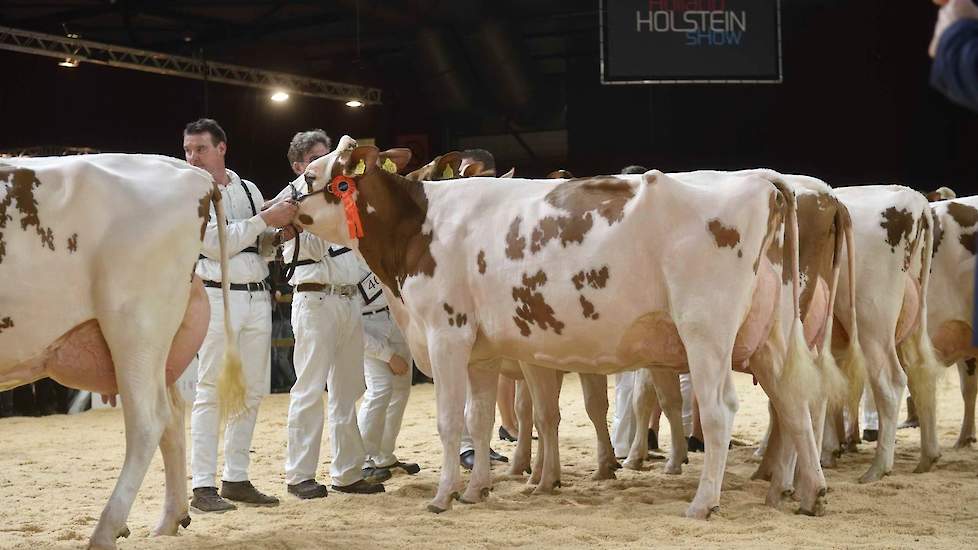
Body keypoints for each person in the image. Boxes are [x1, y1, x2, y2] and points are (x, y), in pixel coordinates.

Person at [185, 118, 297, 512]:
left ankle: (235, 477)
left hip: (255, 294)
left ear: (222, 148)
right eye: (188, 150)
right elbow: (214, 245)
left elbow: (257, 247)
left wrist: (278, 236)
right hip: (214, 296)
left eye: (199, 149)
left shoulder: (249, 189)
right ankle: (202, 486)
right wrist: (265, 221)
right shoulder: (190, 193)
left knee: (250, 390)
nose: (191, 157)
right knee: (211, 390)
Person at [283, 130, 388, 499]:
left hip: (349, 302)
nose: (329, 162)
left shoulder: (344, 197)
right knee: (309, 388)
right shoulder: (291, 198)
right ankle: (299, 475)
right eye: (317, 157)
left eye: (329, 155)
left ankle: (347, 472)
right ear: (300, 166)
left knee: (348, 390)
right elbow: (295, 243)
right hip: (314, 300)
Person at [355, 255, 422, 477]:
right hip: (367, 325)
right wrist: (388, 355)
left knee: (401, 391)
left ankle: (384, 455)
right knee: (380, 389)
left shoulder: (385, 250)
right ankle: (362, 458)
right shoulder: (347, 260)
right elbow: (352, 325)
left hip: (397, 319)